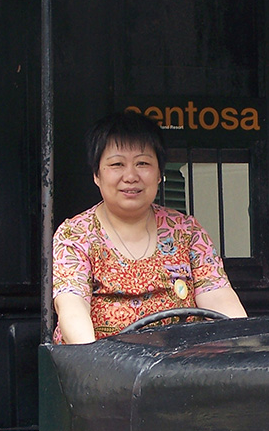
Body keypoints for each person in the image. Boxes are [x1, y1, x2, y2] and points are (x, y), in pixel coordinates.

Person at [53, 111, 246, 343]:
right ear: (96, 174)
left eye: (142, 163)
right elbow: (72, 307)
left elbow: (219, 298)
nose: (130, 176)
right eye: (117, 164)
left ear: (159, 174)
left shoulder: (187, 231)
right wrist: (92, 360)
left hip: (181, 360)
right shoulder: (75, 234)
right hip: (103, 362)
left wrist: (243, 348)